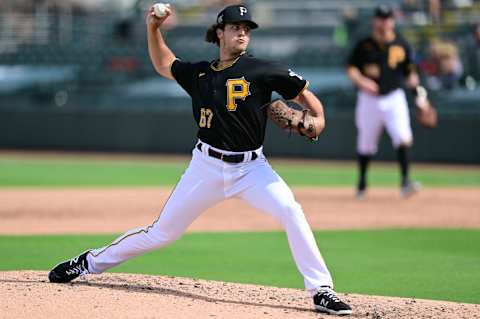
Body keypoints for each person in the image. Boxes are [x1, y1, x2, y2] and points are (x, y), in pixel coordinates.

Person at [48, 4, 352, 316]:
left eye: (246, 28)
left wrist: (318, 120)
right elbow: (164, 63)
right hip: (206, 167)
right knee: (161, 233)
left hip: (251, 169)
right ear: (220, 32)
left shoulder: (263, 69)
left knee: (291, 210)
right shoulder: (200, 74)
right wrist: (153, 29)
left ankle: (321, 290)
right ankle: (88, 262)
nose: (242, 32)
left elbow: (307, 97)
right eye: (235, 27)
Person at [346, 4, 421, 198]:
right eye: (381, 17)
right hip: (369, 99)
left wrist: (419, 95)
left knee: (403, 138)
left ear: (393, 21)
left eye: (387, 18)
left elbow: (410, 72)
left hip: (394, 97)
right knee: (365, 144)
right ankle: (362, 184)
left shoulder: (402, 44)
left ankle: (405, 183)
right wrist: (362, 81)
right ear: (375, 20)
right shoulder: (364, 45)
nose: (384, 21)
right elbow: (351, 68)